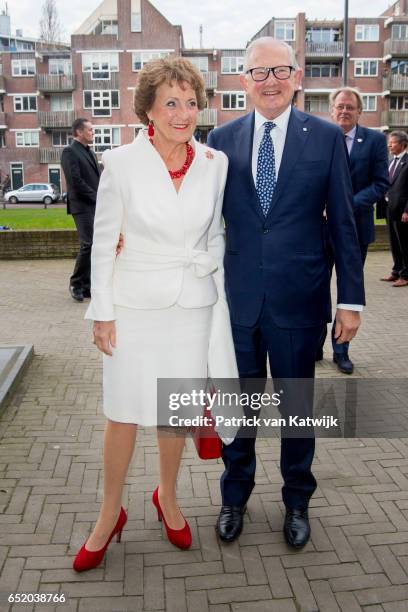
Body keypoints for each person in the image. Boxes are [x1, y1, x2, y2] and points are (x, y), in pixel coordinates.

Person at [72, 57, 238, 572]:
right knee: (122, 412)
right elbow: (102, 242)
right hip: (133, 306)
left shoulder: (215, 163)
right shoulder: (119, 162)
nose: (183, 113)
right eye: (171, 102)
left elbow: (214, 235)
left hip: (192, 305)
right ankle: (108, 514)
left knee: (177, 413)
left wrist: (211, 282)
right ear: (148, 108)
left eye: (191, 102)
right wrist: (102, 312)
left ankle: (166, 497)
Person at [207, 37, 365, 549]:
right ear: (243, 81)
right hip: (239, 301)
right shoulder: (220, 139)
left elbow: (344, 221)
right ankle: (235, 496)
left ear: (296, 76)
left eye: (279, 70)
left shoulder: (323, 138)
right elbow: (205, 221)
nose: (269, 80)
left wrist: (351, 300)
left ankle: (297, 500)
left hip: (300, 298)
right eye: (258, 72)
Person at [316, 87, 389, 374]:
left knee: (349, 290)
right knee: (316, 289)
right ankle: (314, 345)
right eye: (340, 106)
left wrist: (342, 205)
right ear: (331, 110)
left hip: (356, 229)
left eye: (350, 107)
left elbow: (381, 183)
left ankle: (341, 351)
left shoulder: (374, 140)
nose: (344, 111)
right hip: (318, 230)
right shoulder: (320, 139)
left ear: (359, 112)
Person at [61, 118, 100, 302]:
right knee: (88, 244)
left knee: (95, 245)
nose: (93, 132)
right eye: (90, 130)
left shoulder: (91, 153)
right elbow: (75, 182)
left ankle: (86, 286)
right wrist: (96, 197)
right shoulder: (69, 152)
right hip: (81, 206)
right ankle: (76, 283)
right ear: (79, 132)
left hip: (95, 205)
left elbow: (99, 179)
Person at [379, 130, 408, 287]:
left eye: (393, 142)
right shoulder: (391, 161)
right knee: (394, 242)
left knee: (404, 243)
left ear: (403, 144)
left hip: (402, 211)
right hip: (390, 208)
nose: (389, 145)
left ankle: (406, 275)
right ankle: (396, 271)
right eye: (389, 142)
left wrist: (407, 211)